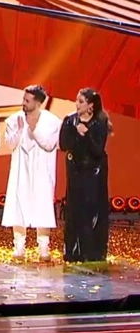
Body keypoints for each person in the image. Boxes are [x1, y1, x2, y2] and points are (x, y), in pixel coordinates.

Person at [1, 85, 61, 260]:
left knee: (42, 205)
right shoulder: (14, 120)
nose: (24, 103)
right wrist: (20, 130)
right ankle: (19, 246)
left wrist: (35, 129)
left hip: (41, 170)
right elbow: (10, 144)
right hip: (21, 170)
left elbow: (49, 144)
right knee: (19, 205)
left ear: (38, 103)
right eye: (24, 99)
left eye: (28, 100)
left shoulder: (52, 121)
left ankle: (43, 248)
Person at [59, 87, 111, 263]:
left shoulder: (99, 123)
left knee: (91, 210)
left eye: (81, 101)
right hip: (75, 170)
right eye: (77, 100)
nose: (77, 104)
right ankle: (73, 251)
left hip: (94, 172)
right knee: (74, 209)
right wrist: (75, 132)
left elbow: (97, 150)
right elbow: (63, 144)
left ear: (91, 106)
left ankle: (92, 251)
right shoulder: (70, 121)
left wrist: (86, 134)